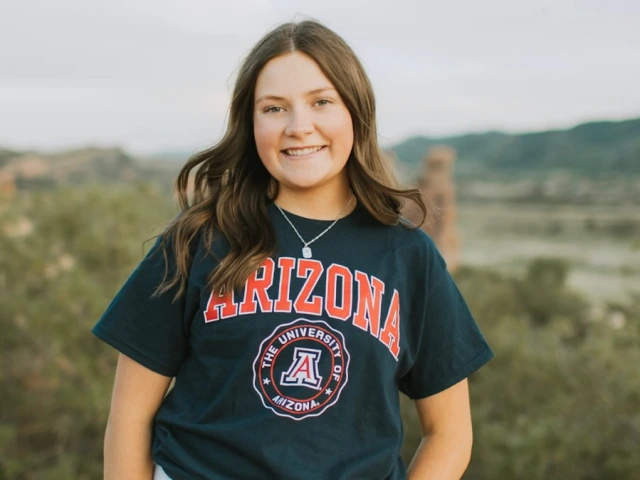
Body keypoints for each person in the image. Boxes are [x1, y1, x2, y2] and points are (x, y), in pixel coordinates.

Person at [92, 19, 494, 480]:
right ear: (251, 122)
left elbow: (449, 433)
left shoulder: (408, 255)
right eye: (274, 108)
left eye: (321, 102)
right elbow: (128, 418)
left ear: (355, 112)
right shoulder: (200, 238)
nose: (299, 127)